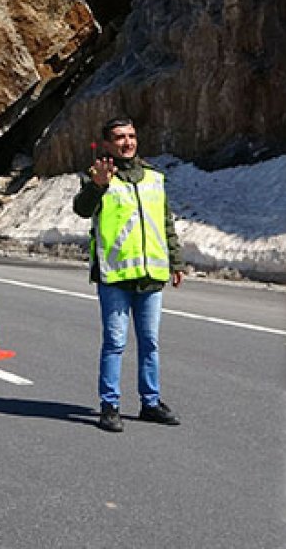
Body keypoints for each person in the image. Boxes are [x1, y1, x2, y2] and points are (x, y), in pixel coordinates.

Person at [73, 118, 185, 432]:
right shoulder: (98, 177)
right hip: (115, 276)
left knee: (150, 342)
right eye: (120, 137)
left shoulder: (154, 178)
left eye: (132, 136)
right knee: (115, 342)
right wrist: (97, 185)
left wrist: (176, 262)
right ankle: (110, 406)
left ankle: (150, 402)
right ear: (107, 144)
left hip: (151, 275)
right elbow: (82, 210)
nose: (127, 142)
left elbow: (166, 224)